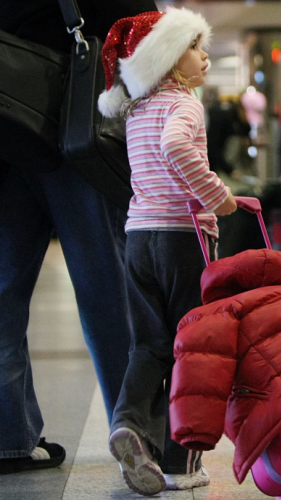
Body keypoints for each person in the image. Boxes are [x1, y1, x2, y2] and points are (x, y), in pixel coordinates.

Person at [0, 0, 156, 475]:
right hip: (75, 125)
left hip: (7, 129)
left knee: (2, 290)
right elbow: (136, 20)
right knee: (106, 286)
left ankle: (8, 437)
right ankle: (139, 434)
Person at [96, 8, 237, 495]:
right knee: (190, 350)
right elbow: (179, 148)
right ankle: (181, 464)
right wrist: (217, 194)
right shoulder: (185, 103)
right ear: (169, 58)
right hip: (184, 238)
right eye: (197, 48)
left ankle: (130, 426)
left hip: (139, 238)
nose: (206, 59)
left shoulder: (137, 109)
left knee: (149, 344)